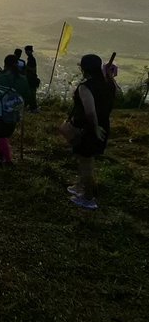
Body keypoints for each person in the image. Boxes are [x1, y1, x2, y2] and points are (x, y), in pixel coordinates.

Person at [60, 53, 117, 211]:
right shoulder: (109, 83)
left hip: (89, 128)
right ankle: (80, 186)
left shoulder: (86, 87)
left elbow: (90, 112)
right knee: (85, 159)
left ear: (83, 68)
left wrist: (95, 128)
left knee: (86, 163)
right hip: (103, 125)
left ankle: (88, 198)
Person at [0, 54, 31, 166]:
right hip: (14, 112)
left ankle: (8, 160)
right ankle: (1, 152)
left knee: (1, 135)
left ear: (5, 64)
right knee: (6, 134)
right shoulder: (23, 79)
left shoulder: (2, 77)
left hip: (0, 111)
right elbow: (27, 95)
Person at [24, 45, 40, 112]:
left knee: (32, 94)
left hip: (32, 79)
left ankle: (33, 108)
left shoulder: (31, 59)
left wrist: (26, 68)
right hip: (31, 78)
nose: (26, 52)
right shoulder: (30, 58)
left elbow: (33, 69)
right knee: (31, 94)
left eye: (27, 51)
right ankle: (32, 107)